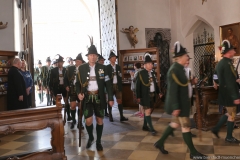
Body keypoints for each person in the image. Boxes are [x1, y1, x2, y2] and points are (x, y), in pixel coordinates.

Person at [154, 42, 206, 159]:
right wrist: (176, 106)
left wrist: (191, 82)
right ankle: (193, 152)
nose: (187, 57)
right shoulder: (174, 70)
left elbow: (182, 83)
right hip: (180, 104)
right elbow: (173, 90)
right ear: (180, 57)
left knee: (174, 124)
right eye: (185, 56)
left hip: (183, 103)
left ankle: (160, 143)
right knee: (186, 127)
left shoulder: (181, 69)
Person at [76, 37, 114, 151]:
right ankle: (91, 137)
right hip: (87, 98)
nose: (92, 57)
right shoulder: (81, 68)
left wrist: (110, 98)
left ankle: (98, 141)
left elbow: (108, 84)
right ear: (87, 56)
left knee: (99, 120)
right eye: (90, 55)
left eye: (94, 55)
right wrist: (78, 93)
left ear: (97, 56)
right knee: (88, 121)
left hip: (99, 97)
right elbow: (77, 83)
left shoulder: (103, 68)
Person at [211, 40, 240, 143]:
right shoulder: (227, 64)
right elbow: (229, 82)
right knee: (232, 115)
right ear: (228, 51)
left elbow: (216, 77)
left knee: (229, 113)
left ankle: (216, 128)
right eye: (233, 50)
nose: (235, 52)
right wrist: (235, 96)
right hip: (229, 94)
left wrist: (219, 83)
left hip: (224, 92)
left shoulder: (221, 63)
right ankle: (228, 137)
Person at [135, 54, 160, 135]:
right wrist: (138, 96)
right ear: (145, 65)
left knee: (149, 111)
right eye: (149, 64)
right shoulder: (140, 73)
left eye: (151, 64)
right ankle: (152, 129)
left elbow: (155, 84)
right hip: (145, 96)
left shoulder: (152, 73)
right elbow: (137, 86)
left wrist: (159, 92)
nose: (151, 65)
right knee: (148, 111)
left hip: (152, 95)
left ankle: (145, 126)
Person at [106, 51, 128, 122]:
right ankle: (110, 116)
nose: (114, 58)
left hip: (118, 86)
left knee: (119, 101)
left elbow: (120, 76)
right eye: (113, 57)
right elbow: (106, 78)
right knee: (110, 101)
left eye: (115, 57)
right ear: (110, 59)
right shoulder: (107, 67)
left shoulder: (118, 67)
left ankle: (121, 116)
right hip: (110, 86)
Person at [64, 53, 84, 129]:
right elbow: (65, 78)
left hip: (81, 89)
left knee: (80, 106)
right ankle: (73, 120)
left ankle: (80, 122)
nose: (78, 62)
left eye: (80, 61)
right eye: (77, 61)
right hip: (72, 88)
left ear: (82, 62)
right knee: (72, 105)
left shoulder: (84, 69)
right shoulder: (70, 69)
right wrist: (66, 86)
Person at [49, 55, 72, 121]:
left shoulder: (65, 70)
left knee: (66, 101)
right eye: (58, 62)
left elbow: (68, 79)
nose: (60, 64)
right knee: (56, 101)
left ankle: (68, 115)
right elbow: (50, 80)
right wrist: (50, 89)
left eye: (61, 62)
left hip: (64, 87)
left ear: (63, 63)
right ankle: (55, 115)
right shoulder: (53, 71)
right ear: (57, 63)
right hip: (56, 87)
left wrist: (68, 86)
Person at [184, 55, 198, 137]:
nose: (188, 62)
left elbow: (190, 83)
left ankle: (187, 131)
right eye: (186, 60)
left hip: (189, 94)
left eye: (188, 60)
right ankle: (186, 132)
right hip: (183, 96)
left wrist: (194, 81)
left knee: (188, 115)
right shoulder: (180, 70)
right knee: (181, 118)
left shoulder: (189, 70)